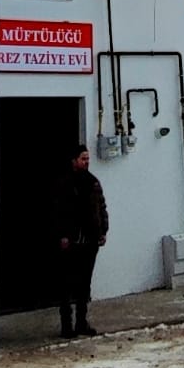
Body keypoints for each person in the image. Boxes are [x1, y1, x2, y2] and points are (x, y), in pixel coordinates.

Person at [51, 144, 108, 339]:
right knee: (66, 284)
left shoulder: (93, 183)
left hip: (90, 241)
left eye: (88, 159)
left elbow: (102, 208)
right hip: (71, 241)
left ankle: (81, 322)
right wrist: (63, 235)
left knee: (85, 284)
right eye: (83, 159)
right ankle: (67, 325)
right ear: (74, 160)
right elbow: (58, 213)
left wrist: (103, 231)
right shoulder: (64, 184)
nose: (87, 162)